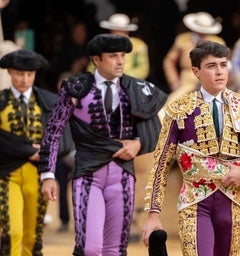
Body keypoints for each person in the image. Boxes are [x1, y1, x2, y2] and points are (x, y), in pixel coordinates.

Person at [142, 40, 240, 255]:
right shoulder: (179, 110)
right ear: (196, 71)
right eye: (211, 66)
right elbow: (161, 163)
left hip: (233, 201)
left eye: (223, 65)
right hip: (195, 201)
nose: (219, 72)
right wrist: (153, 215)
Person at [39, 34, 167, 256]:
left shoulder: (135, 88)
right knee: (90, 248)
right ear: (97, 60)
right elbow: (54, 130)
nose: (120, 61)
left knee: (115, 250)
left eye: (122, 56)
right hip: (89, 174)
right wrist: (48, 174)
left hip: (122, 176)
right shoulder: (76, 88)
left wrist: (137, 144)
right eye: (112, 56)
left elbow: (156, 131)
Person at [0, 49, 73, 255]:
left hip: (37, 175)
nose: (24, 79)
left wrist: (45, 153)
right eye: (19, 74)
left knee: (32, 235)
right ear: (10, 73)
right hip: (6, 176)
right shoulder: (1, 100)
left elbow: (64, 139)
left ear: (34, 74)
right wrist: (28, 151)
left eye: (29, 74)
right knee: (11, 232)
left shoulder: (49, 101)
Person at [163, 11, 226, 105]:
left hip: (212, 77)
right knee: (171, 105)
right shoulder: (183, 39)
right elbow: (169, 61)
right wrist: (174, 81)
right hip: (188, 77)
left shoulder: (217, 41)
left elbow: (224, 64)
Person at [86, 13, 150, 80]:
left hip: (130, 84)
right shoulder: (102, 44)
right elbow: (92, 67)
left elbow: (142, 70)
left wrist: (122, 78)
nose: (117, 33)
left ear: (126, 31)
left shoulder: (138, 45)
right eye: (114, 30)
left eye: (121, 30)